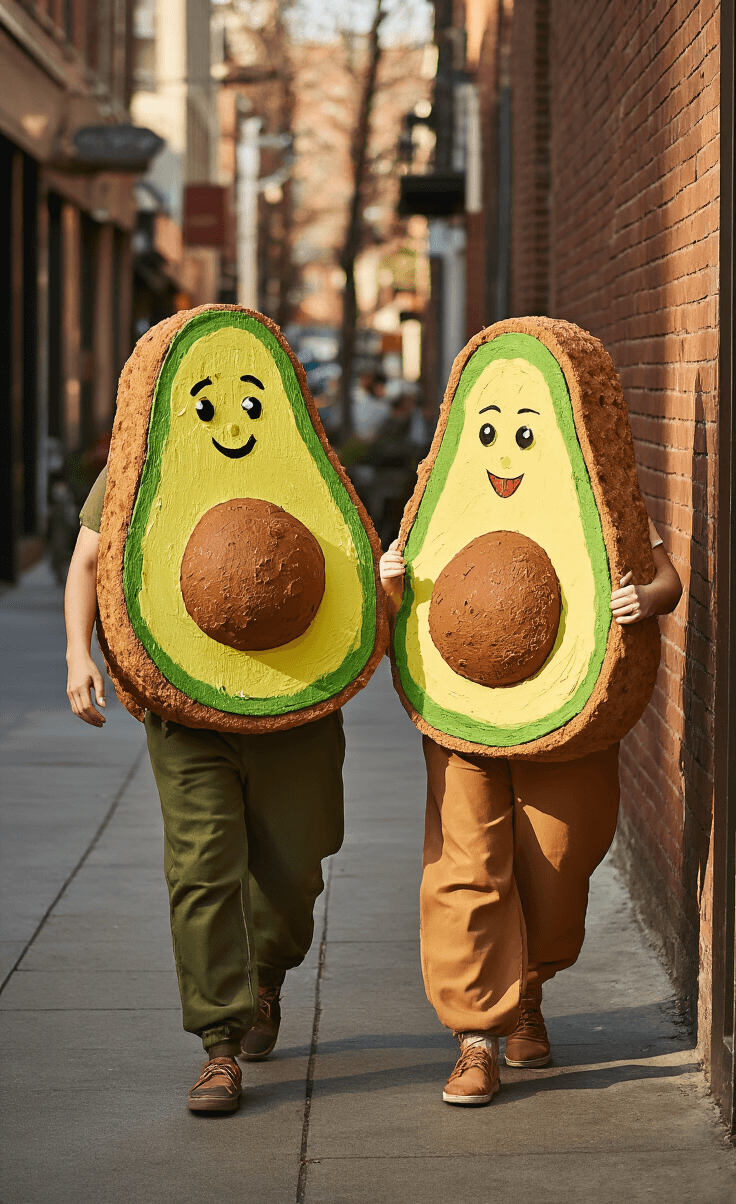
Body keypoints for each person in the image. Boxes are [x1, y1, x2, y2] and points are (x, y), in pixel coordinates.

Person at [65, 466, 346, 1114]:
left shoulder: (292, 439)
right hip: (185, 705)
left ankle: (264, 979)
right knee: (202, 865)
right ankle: (218, 1044)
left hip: (295, 701)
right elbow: (89, 559)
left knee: (295, 868)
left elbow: (344, 548)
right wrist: (78, 653)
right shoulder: (150, 446)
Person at [379, 517, 682, 1106]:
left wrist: (645, 598)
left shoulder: (583, 473)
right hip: (460, 709)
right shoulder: (455, 473)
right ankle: (477, 1036)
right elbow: (411, 586)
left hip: (570, 709)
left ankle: (526, 990)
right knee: (467, 867)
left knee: (556, 863)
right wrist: (391, 584)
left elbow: (665, 578)